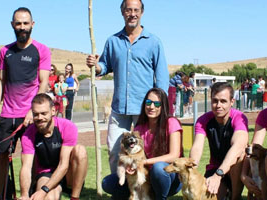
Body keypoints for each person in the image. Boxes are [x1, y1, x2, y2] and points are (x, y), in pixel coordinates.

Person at [86, 0, 169, 174]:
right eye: (128, 10)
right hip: (119, 109)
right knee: (115, 152)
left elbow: (161, 76)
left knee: (145, 152)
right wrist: (96, 64)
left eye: (136, 10)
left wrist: (162, 105)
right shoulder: (113, 41)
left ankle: (145, 189)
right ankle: (119, 189)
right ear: (122, 12)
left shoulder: (154, 42)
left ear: (142, 12)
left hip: (145, 109)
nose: (132, 14)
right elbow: (104, 65)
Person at [0, 7, 51, 199]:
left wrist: (34, 111)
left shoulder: (41, 50)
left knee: (29, 159)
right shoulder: (5, 51)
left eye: (26, 23)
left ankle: (30, 195)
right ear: (12, 25)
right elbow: (1, 81)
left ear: (32, 25)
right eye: (18, 23)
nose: (22, 27)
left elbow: (43, 82)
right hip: (7, 114)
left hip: (29, 115)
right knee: (1, 158)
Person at [102, 88, 183, 200]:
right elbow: (130, 153)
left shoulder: (171, 123)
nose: (151, 107)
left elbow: (174, 155)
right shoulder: (139, 128)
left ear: (163, 106)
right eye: (148, 102)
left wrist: (143, 162)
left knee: (158, 168)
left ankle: (160, 197)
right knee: (107, 183)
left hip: (168, 176)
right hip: (143, 175)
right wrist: (130, 166)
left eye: (157, 104)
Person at [19, 94, 87, 200]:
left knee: (80, 150)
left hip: (68, 173)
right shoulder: (28, 135)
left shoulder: (68, 127)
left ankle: (75, 197)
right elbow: (26, 168)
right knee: (49, 198)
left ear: (53, 111)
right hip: (46, 173)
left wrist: (43, 190)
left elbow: (63, 165)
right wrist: (24, 195)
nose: (40, 118)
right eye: (36, 114)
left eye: (44, 113)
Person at [190, 82, 248, 200]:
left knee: (241, 155)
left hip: (233, 169)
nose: (218, 105)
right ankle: (225, 192)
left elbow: (239, 146)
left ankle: (235, 197)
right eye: (215, 101)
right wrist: (191, 168)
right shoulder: (203, 120)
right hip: (215, 168)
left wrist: (218, 175)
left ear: (232, 102)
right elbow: (197, 146)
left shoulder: (239, 118)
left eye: (223, 101)